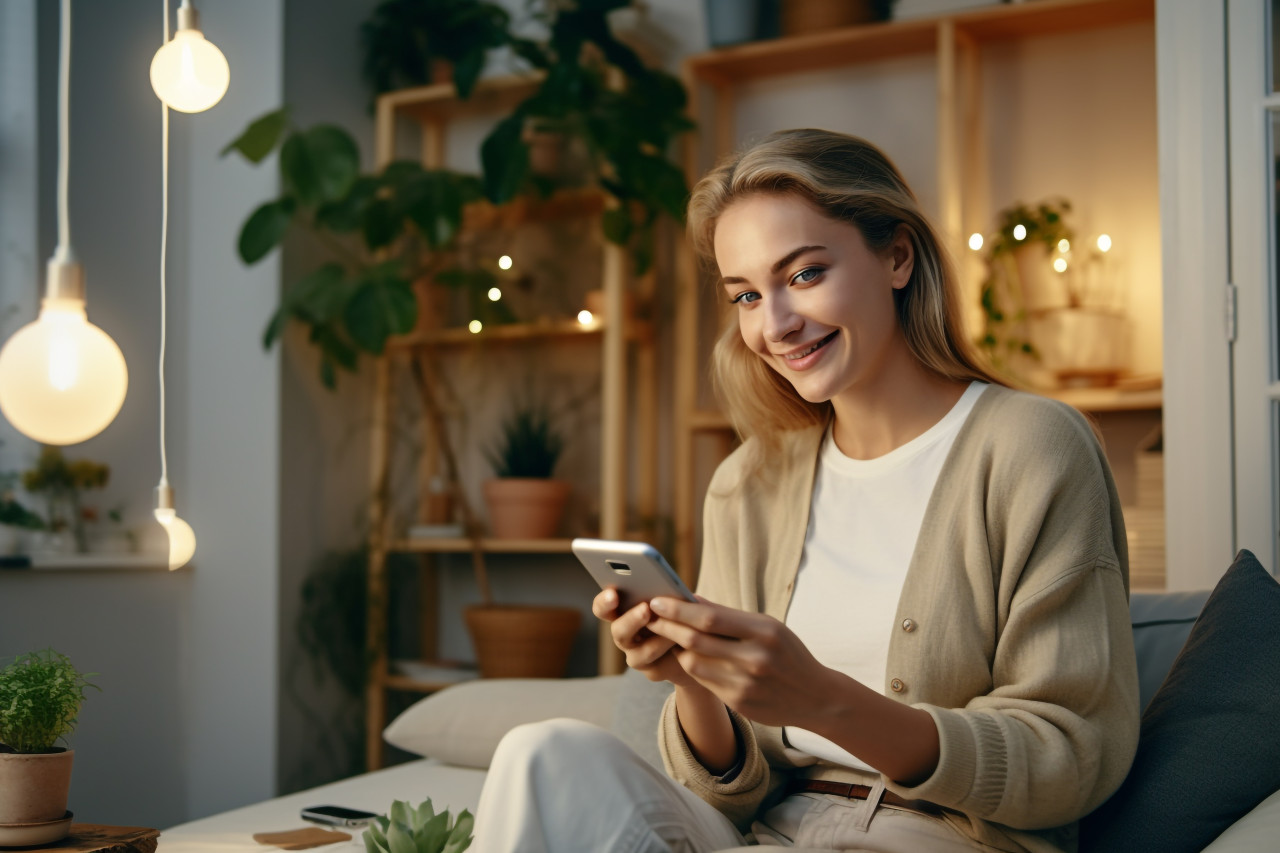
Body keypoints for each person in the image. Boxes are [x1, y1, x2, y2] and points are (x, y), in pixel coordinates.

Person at [470, 129, 1139, 853]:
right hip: (769, 832)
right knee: (540, 756)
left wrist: (821, 698)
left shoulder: (1032, 446)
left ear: (897, 256)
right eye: (749, 294)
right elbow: (733, 786)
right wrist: (689, 681)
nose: (775, 324)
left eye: (806, 274)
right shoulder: (749, 480)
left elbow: (1073, 755)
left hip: (941, 836)